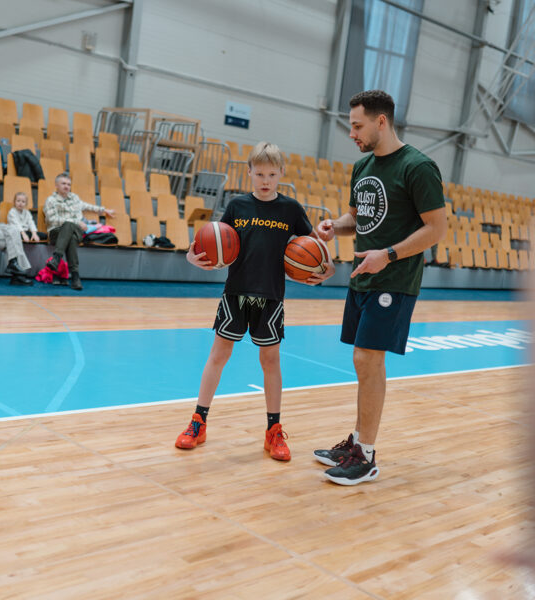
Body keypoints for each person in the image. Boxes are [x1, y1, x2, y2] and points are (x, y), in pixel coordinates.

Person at [313, 90, 447, 485]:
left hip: (394, 279)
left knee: (368, 359)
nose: (352, 133)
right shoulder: (363, 166)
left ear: (381, 122)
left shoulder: (418, 167)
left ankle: (366, 457)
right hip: (363, 277)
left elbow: (436, 229)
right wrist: (333, 227)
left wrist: (388, 255)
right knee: (362, 361)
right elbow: (356, 218)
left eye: (357, 125)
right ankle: (356, 442)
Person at [175, 142, 334, 461]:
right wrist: (194, 258)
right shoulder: (237, 206)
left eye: (272, 174)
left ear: (281, 174)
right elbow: (215, 241)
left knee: (270, 362)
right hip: (235, 292)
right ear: (249, 172)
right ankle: (198, 422)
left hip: (272, 296)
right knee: (218, 355)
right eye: (259, 174)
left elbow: (314, 247)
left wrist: (326, 269)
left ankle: (273, 430)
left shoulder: (290, 209)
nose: (265, 180)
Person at [44, 172, 115, 291]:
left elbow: (88, 206)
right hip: (56, 233)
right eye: (63, 183)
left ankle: (56, 259)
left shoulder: (74, 198)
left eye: (68, 184)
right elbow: (52, 219)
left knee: (71, 230)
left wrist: (104, 210)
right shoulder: (51, 200)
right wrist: (75, 221)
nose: (66, 186)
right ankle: (75, 276)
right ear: (56, 185)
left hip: (76, 231)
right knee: (70, 232)